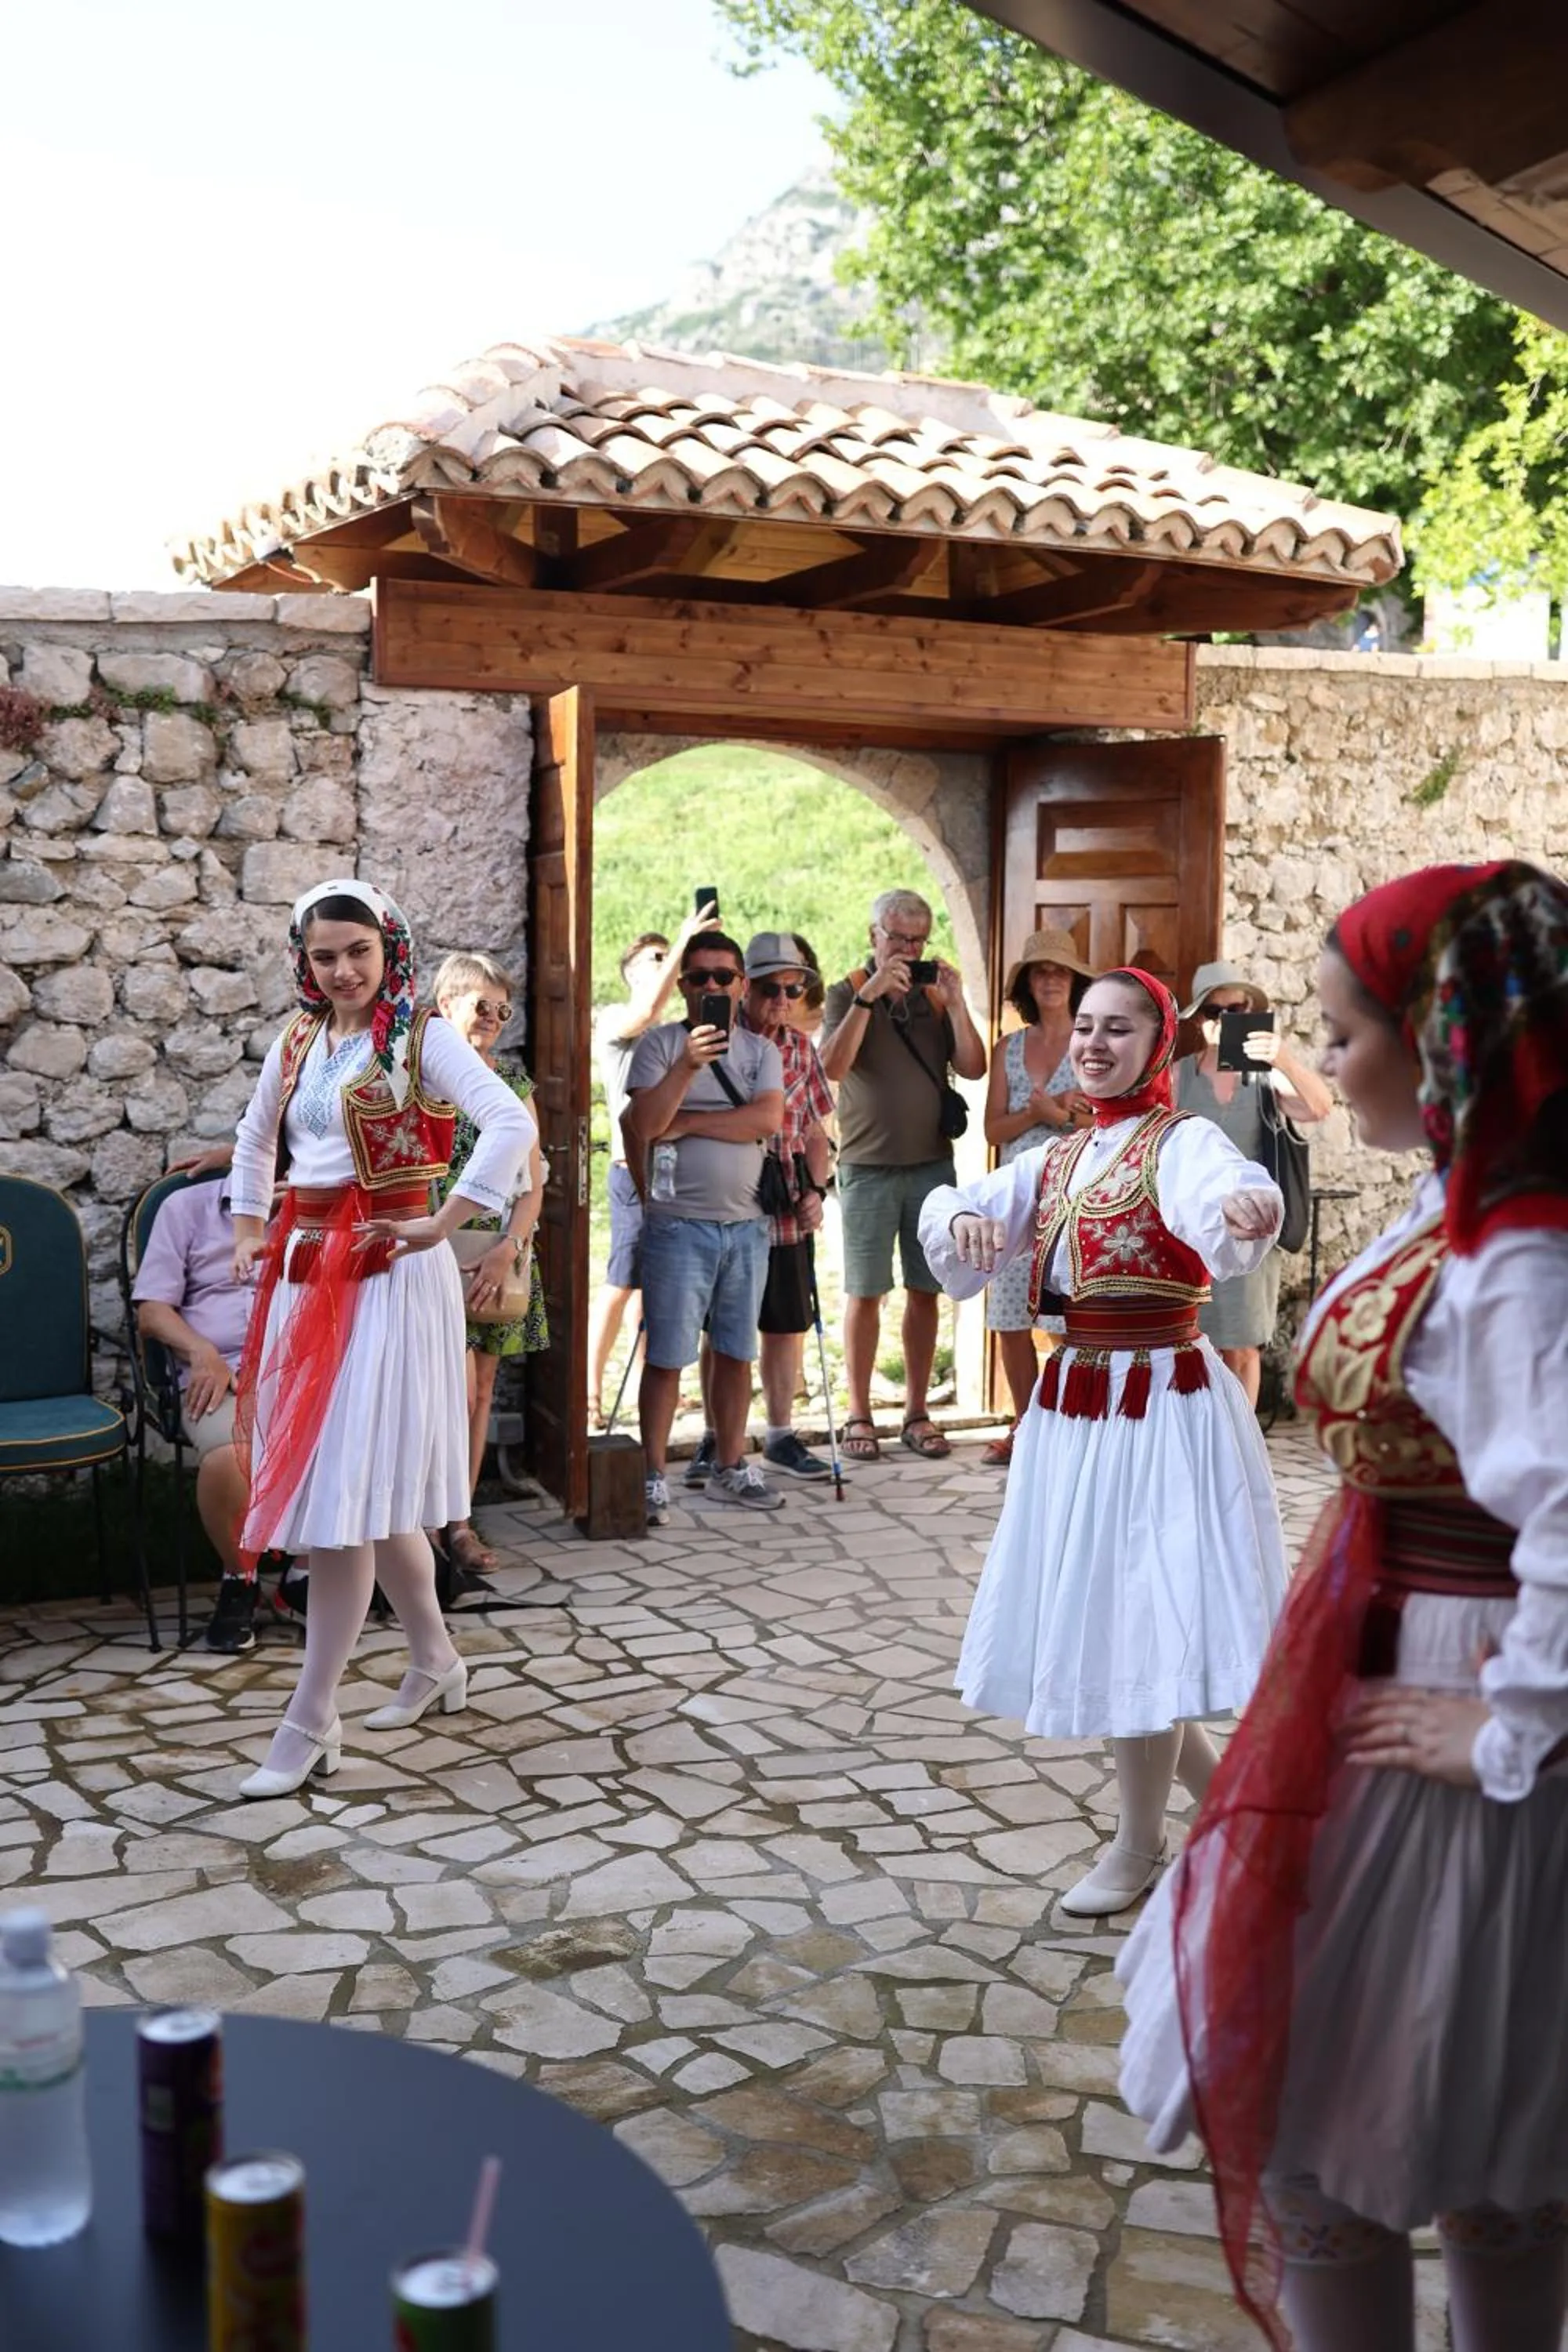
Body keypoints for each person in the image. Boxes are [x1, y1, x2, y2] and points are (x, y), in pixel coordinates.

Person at [1120, 862, 1568, 2352]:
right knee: (1482, 2146)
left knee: (1354, 2117)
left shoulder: (1525, 1250)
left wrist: (1518, 1723)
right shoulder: (1480, 1203)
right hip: (1401, 1655)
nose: (1324, 1064)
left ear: (1448, 1034)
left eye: (1346, 1031)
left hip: (1449, 1688)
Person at [918, 967, 1288, 1915]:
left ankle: (1137, 1845)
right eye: (1083, 1025)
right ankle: (1239, 1818)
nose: (1092, 1042)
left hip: (1160, 1404)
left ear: (1157, 1046)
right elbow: (969, 1206)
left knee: (1140, 1616)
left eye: (1118, 1029)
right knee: (1126, 1620)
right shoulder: (1056, 1158)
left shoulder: (1180, 1141)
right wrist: (960, 1217)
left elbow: (1227, 1192)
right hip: (1079, 1404)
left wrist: (1249, 1211)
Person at [227, 880, 532, 1799]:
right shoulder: (296, 1041)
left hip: (390, 1279)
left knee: (343, 1503)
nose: (342, 970)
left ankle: (310, 1716)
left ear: (387, 949)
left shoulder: (420, 1036)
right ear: (304, 961)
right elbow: (254, 1142)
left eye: (357, 951)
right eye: (324, 956)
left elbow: (510, 1123)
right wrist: (250, 1228)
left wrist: (448, 1220)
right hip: (306, 1276)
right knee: (365, 1492)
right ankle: (436, 1658)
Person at [622, 929, 784, 1524]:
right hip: (677, 1226)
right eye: (700, 978)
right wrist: (688, 1069)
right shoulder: (661, 1047)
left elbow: (767, 1118)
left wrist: (687, 1122)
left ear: (742, 986)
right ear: (684, 987)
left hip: (746, 1226)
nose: (713, 987)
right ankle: (650, 1475)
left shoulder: (762, 1051)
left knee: (737, 1352)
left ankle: (729, 1465)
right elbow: (645, 1122)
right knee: (667, 1357)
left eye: (724, 977)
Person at [820, 888, 986, 1462]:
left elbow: (972, 1065)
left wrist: (958, 1003)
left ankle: (918, 1411)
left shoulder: (934, 998)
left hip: (932, 1166)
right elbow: (831, 1069)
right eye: (897, 938)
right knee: (866, 1293)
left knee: (926, 1290)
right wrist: (868, 997)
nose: (908, 950)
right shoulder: (845, 991)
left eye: (918, 940)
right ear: (874, 936)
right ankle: (860, 1413)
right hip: (866, 1167)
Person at [683, 934, 837, 1486]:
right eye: (770, 987)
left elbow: (818, 1128)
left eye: (793, 988)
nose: (782, 998)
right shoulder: (718, 1041)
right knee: (722, 1326)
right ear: (745, 987)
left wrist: (817, 1188)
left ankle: (779, 1435)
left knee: (785, 1322)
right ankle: (713, 1435)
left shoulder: (800, 1047)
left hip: (786, 1198)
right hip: (728, 1202)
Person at [430, 952, 547, 1577]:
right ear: (444, 1005)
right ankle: (420, 1525)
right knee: (434, 1392)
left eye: (503, 1009)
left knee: (478, 1392)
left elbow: (533, 1184)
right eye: (482, 1006)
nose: (494, 1019)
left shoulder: (514, 1086)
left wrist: (508, 1249)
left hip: (496, 1256)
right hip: (431, 1255)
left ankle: (458, 1523)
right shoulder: (415, 1076)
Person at [132, 1172, 282, 1653]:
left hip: (298, 1371)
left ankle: (306, 1576)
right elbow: (152, 1311)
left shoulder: (317, 1210)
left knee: (361, 1432)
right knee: (227, 1459)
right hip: (214, 1374)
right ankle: (241, 1579)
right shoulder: (185, 1208)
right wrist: (201, 1351)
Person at [1174, 959, 1333, 1408]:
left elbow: (1320, 1107)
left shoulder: (1265, 1075)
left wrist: (1281, 1056)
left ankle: (1242, 1450)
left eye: (1238, 1010)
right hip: (1193, 1229)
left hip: (1254, 1228)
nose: (1228, 1022)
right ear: (1199, 1019)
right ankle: (1205, 1443)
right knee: (1192, 1343)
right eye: (1215, 1013)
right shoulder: (1178, 1075)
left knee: (1242, 1347)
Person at [980, 928, 1097, 1467]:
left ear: (1075, 981)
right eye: (1040, 970)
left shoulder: (1094, 1041)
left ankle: (1066, 1429)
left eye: (1060, 970)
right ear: (1028, 981)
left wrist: (1069, 1118)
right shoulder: (1009, 1046)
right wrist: (1041, 1113)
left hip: (1075, 1198)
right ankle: (1026, 1427)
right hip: (1017, 1199)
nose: (1050, 978)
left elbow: (1112, 1123)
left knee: (1065, 1323)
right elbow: (993, 1130)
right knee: (1008, 1317)